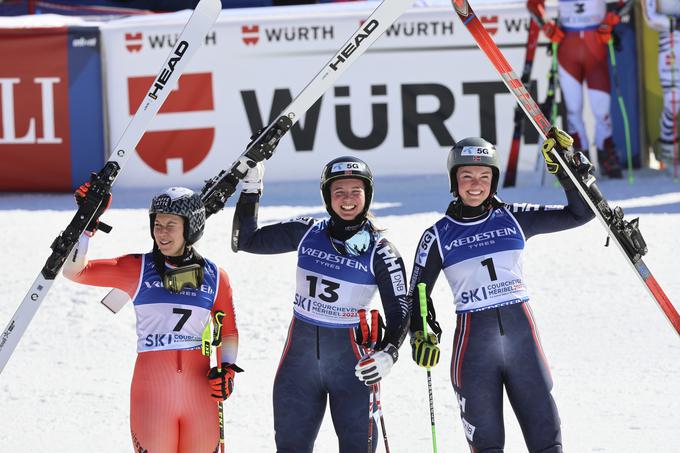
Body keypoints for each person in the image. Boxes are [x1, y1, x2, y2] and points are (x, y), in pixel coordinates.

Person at [408, 129, 595, 452]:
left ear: (494, 181)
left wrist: (568, 172)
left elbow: (582, 212)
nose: (476, 184)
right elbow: (416, 294)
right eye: (466, 176)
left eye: (484, 175)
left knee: (547, 443)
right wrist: (421, 332)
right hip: (474, 349)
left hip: (523, 342)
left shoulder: (515, 218)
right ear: (454, 181)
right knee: (488, 447)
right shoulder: (437, 235)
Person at [231, 156, 410, 452]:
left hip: (352, 369)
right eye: (339, 192)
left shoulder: (382, 251)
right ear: (328, 197)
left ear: (367, 195)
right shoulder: (308, 231)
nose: (348, 200)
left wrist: (389, 353)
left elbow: (400, 309)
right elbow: (247, 240)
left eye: (355, 191)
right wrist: (251, 187)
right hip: (298, 367)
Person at [63, 185, 241, 453]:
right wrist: (87, 223)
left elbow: (227, 332)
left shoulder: (216, 276)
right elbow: (75, 271)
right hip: (153, 394)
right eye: (157, 223)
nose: (162, 232)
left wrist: (227, 370)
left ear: (191, 227)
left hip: (201, 394)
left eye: (171, 224)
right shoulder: (137, 268)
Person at [541, 0, 624, 178]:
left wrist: (612, 18)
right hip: (567, 48)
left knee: (601, 109)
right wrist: (546, 25)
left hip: (595, 46)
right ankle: (578, 157)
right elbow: (534, 4)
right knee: (573, 109)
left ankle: (606, 153)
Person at [642, 0, 680, 170]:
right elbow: (650, 17)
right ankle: (668, 153)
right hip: (670, 43)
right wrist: (673, 23)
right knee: (673, 101)